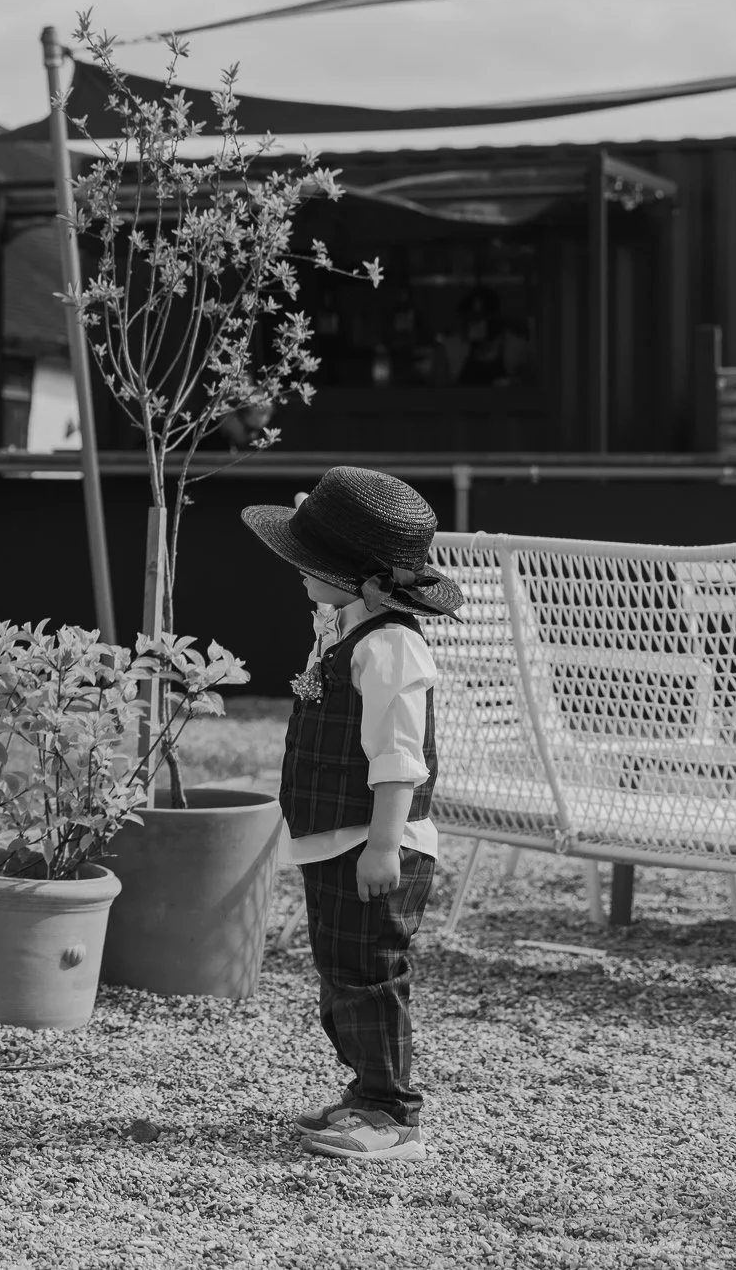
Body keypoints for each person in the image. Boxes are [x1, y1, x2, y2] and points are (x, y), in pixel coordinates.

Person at [241, 467, 457, 1162]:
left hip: (375, 840)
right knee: (342, 974)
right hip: (339, 839)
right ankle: (366, 1092)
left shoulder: (389, 646)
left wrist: (384, 845)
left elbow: (399, 758)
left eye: (310, 563)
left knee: (371, 975)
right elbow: (327, 609)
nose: (298, 571)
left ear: (361, 581)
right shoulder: (349, 627)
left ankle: (392, 1113)